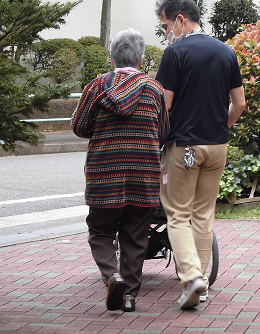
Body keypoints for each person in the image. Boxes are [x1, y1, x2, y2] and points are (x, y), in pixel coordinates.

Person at [154, 0, 246, 309]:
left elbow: (163, 105)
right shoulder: (227, 51)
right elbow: (240, 104)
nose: (167, 32)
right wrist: (222, 128)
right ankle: (202, 285)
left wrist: (159, 140)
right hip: (217, 146)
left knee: (178, 215)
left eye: (166, 25)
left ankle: (191, 277)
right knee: (204, 215)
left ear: (180, 20)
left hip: (184, 146)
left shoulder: (175, 53)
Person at [71, 28, 169, 312]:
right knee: (136, 236)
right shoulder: (155, 90)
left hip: (105, 172)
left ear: (112, 57)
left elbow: (78, 126)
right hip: (144, 174)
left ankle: (112, 276)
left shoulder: (97, 86)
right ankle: (129, 296)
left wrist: (100, 129)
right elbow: (163, 132)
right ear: (140, 60)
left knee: (100, 230)